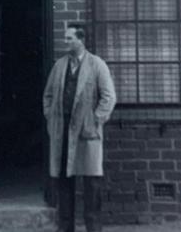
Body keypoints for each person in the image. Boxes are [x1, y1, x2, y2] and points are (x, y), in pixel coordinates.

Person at [43, 24, 116, 232]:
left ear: (80, 39)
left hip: (87, 132)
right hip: (62, 131)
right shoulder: (59, 66)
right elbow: (47, 96)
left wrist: (95, 121)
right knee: (65, 180)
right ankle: (66, 227)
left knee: (92, 183)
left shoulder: (96, 65)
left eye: (69, 38)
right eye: (65, 38)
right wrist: (51, 118)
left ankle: (93, 227)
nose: (65, 42)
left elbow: (108, 97)